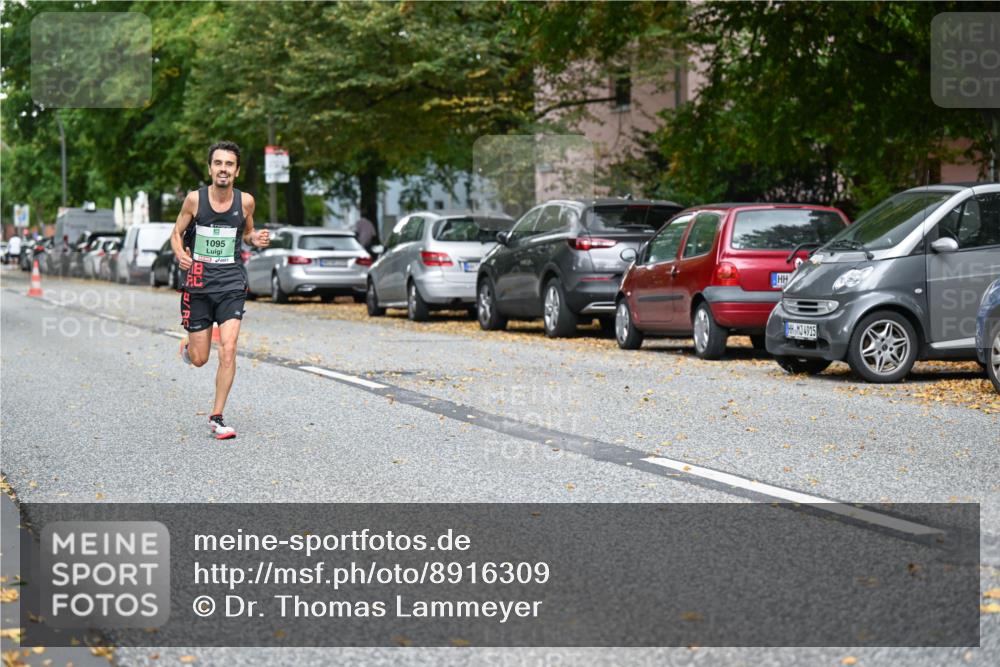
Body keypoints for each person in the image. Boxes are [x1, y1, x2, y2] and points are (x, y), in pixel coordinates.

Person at [171, 140, 270, 440]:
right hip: (199, 286)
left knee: (228, 348)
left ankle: (217, 416)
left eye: (229, 164)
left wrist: (256, 239)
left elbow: (248, 231)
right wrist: (180, 253)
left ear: (236, 171)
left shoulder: (246, 202)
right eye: (218, 163)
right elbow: (176, 233)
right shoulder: (194, 200)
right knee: (201, 358)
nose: (223, 169)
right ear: (210, 168)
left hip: (230, 284)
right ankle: (188, 349)